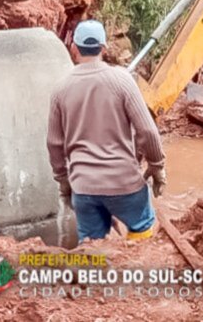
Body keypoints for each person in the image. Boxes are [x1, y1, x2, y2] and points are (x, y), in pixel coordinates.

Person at [47, 20, 167, 242]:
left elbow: (54, 143)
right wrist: (156, 166)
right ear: (103, 48)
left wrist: (63, 181)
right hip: (125, 184)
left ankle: (96, 270)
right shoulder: (122, 80)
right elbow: (147, 131)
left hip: (84, 188)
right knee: (141, 231)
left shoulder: (60, 89)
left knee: (93, 247)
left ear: (73, 48)